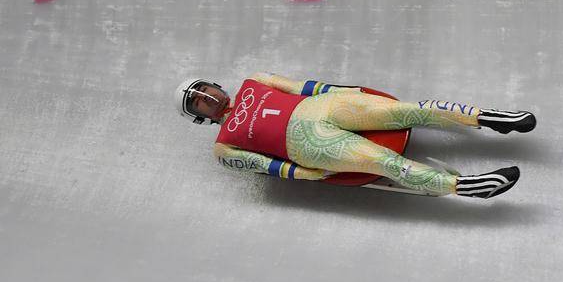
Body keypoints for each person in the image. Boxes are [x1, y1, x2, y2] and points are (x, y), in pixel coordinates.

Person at [174, 73, 536, 199]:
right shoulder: (223, 148)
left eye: (204, 89)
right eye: (198, 101)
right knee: (384, 162)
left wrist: (342, 90)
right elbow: (265, 166)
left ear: (214, 84)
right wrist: (304, 174)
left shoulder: (255, 80)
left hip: (325, 107)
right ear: (199, 117)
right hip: (307, 144)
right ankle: (466, 187)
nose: (207, 98)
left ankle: (489, 118)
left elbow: (299, 86)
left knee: (407, 110)